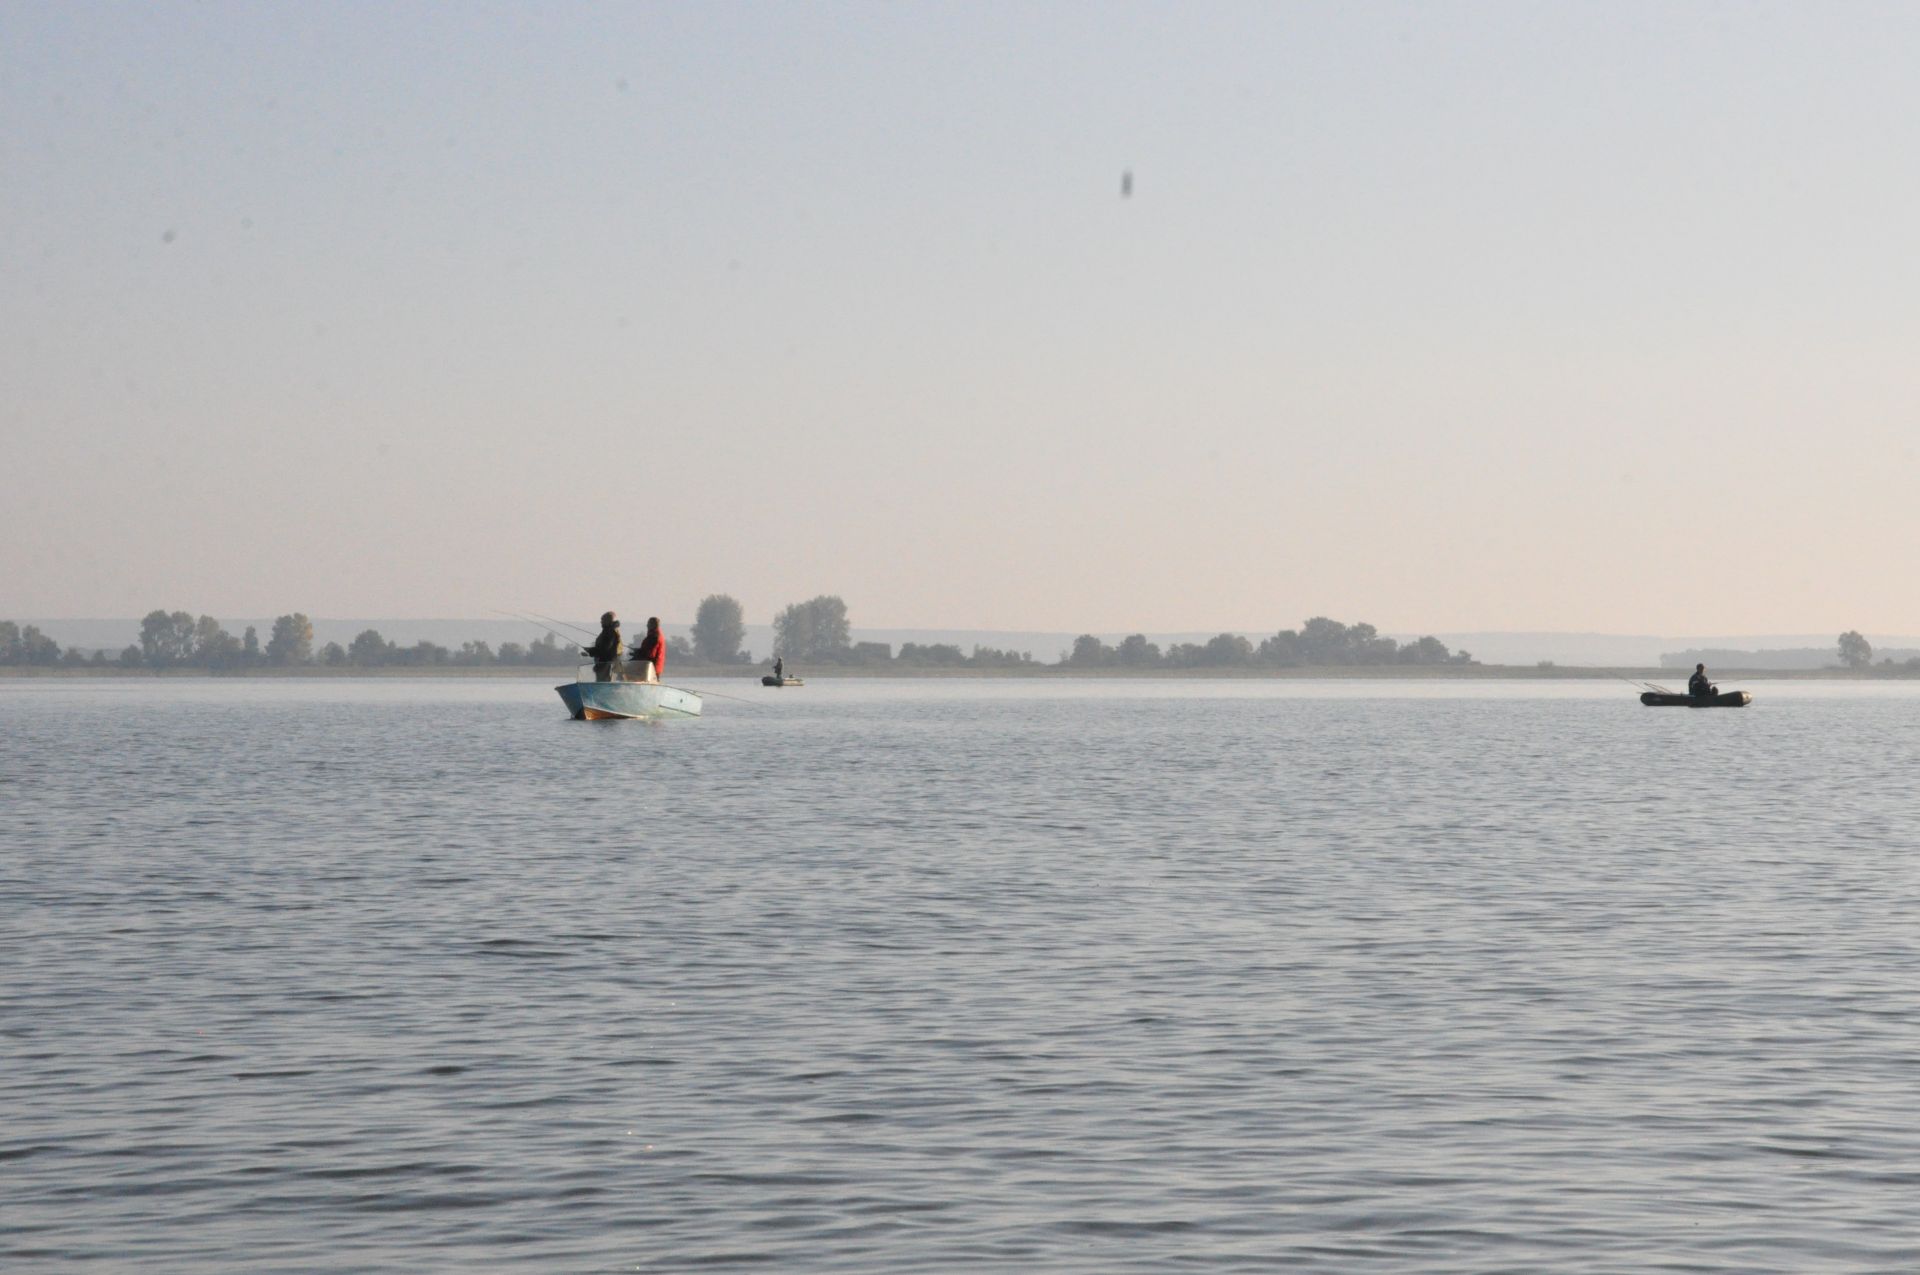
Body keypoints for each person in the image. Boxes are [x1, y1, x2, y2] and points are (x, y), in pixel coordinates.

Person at [583, 612, 622, 682]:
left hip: (606, 665)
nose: (601, 622)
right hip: (606, 663)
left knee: (604, 682)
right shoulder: (609, 631)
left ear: (608, 620)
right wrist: (590, 651)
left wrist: (590, 651)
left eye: (603, 620)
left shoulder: (610, 632)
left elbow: (605, 649)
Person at [631, 616, 665, 684]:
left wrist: (638, 653)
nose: (647, 625)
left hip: (652, 667)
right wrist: (638, 651)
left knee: (652, 683)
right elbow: (647, 650)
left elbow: (650, 654)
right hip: (653, 667)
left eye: (648, 623)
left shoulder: (654, 636)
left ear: (653, 625)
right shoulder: (654, 635)